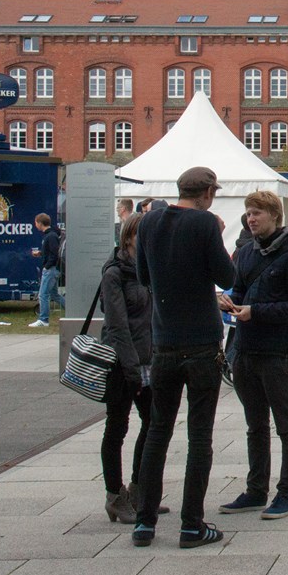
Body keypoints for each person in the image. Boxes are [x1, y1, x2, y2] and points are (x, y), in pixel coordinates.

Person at [132, 166, 235, 549]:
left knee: (158, 431)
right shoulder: (205, 224)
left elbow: (143, 276)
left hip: (164, 341)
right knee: (199, 437)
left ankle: (144, 522)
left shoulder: (148, 222)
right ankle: (192, 524)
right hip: (202, 343)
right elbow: (228, 276)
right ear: (208, 192)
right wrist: (219, 234)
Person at [218, 191, 288, 521]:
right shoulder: (245, 253)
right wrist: (229, 302)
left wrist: (255, 312)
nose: (250, 218)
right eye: (248, 213)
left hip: (278, 352)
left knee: (287, 425)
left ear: (275, 215)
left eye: (257, 212)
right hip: (245, 349)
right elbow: (240, 291)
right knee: (254, 424)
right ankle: (256, 489)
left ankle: (286, 493)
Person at [99, 213, 155, 525]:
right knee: (117, 426)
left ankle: (138, 489)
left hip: (148, 358)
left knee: (153, 423)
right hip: (121, 361)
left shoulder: (148, 270)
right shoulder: (114, 273)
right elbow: (117, 325)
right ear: (129, 237)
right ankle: (114, 495)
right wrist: (131, 367)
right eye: (141, 233)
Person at [29, 213, 64, 327]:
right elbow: (50, 251)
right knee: (54, 294)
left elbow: (54, 253)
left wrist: (47, 266)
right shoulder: (50, 235)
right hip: (52, 269)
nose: (35, 225)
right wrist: (40, 253)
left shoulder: (51, 236)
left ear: (40, 223)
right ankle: (74, 311)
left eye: (36, 223)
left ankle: (43, 319)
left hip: (51, 270)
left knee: (43, 294)